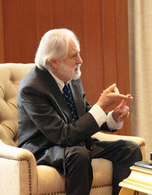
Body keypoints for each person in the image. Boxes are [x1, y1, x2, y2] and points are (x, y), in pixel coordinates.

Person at [17, 28, 142, 195]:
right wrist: (100, 105)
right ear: (54, 61)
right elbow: (63, 136)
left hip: (75, 143)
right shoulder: (32, 88)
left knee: (130, 149)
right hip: (45, 148)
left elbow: (85, 114)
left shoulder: (71, 77)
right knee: (79, 154)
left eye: (79, 54)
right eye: (74, 56)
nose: (80, 60)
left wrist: (112, 117)